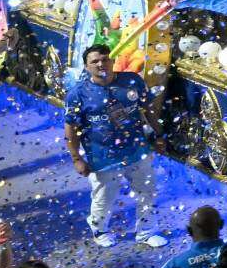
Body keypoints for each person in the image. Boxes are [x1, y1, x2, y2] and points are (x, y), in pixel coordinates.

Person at [62, 44, 163, 246]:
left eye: (105, 59)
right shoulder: (78, 94)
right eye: (95, 61)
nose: (101, 64)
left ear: (112, 61)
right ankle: (99, 231)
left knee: (147, 191)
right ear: (86, 67)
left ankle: (146, 232)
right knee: (105, 196)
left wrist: (158, 135)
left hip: (137, 150)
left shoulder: (132, 81)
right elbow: (71, 128)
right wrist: (76, 158)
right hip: (103, 156)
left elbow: (148, 109)